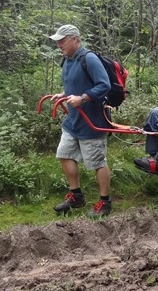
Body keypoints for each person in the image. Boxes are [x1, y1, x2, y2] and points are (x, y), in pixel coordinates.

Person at [49, 24, 113, 218]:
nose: (59, 45)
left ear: (75, 39)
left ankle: (105, 202)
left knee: (97, 162)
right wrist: (63, 94)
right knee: (64, 154)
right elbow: (75, 84)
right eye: (57, 41)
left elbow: (104, 85)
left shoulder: (89, 59)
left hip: (92, 121)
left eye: (62, 41)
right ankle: (76, 196)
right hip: (73, 121)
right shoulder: (67, 59)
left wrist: (83, 98)